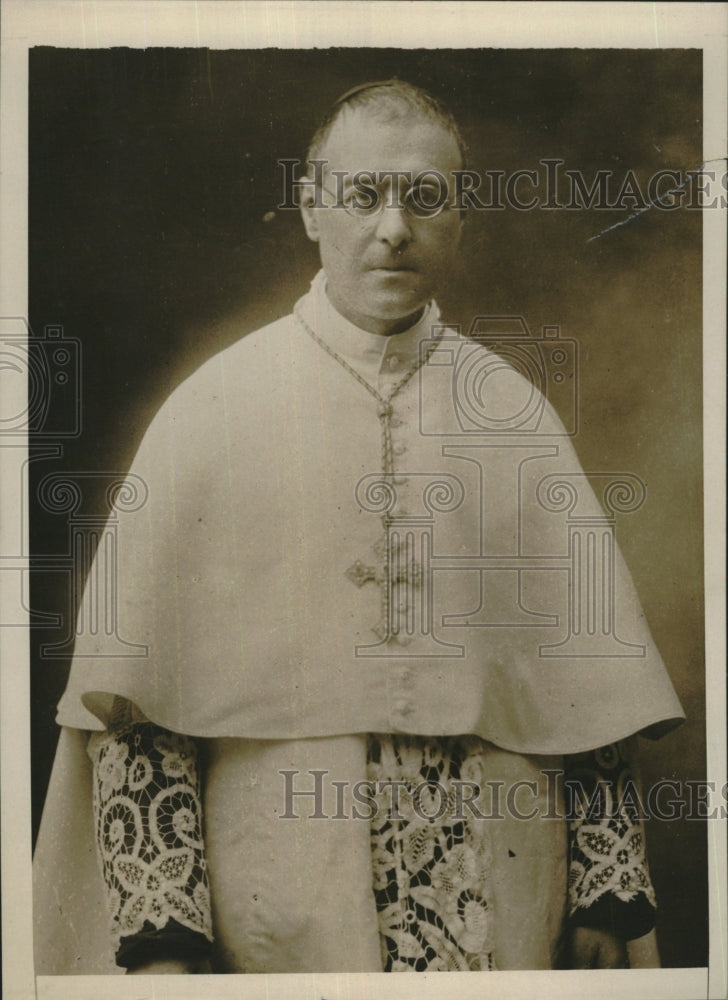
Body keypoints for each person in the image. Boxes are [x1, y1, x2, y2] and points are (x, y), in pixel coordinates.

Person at [33, 79, 684, 976]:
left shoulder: (515, 417)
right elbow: (137, 717)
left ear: (459, 217)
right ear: (310, 207)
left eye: (425, 198)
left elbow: (589, 702)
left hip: (501, 895)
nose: (393, 228)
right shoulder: (213, 408)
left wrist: (607, 891)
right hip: (278, 897)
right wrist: (163, 936)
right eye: (362, 194)